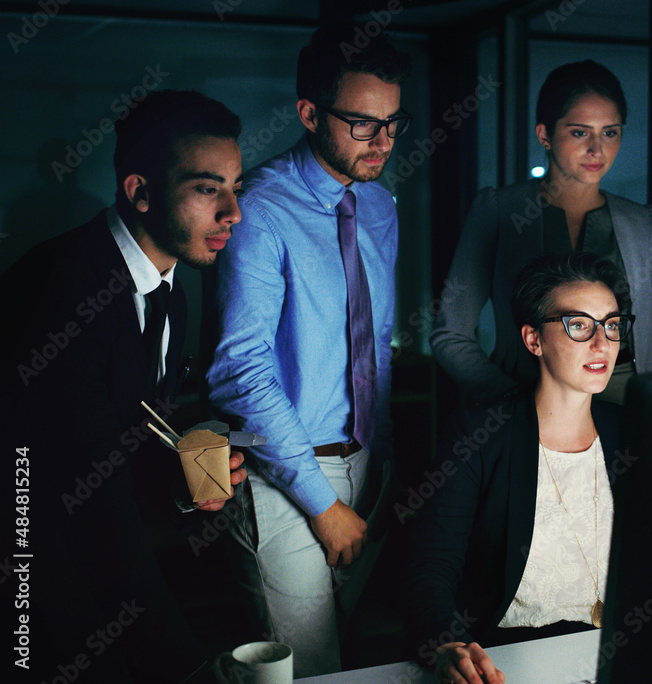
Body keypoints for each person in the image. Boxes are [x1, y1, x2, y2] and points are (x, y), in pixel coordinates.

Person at [0, 89, 247, 683]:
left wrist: (188, 484)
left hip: (96, 576)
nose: (234, 213)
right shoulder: (60, 292)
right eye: (208, 189)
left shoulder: (171, 292)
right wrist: (187, 662)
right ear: (139, 192)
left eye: (236, 187)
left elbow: (122, 437)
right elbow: (79, 495)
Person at [206, 23, 410, 677]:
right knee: (308, 668)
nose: (382, 142)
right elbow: (241, 370)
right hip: (290, 474)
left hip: (369, 464)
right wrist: (322, 506)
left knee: (353, 651)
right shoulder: (259, 210)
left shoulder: (379, 206)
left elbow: (373, 342)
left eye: (393, 123)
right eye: (362, 124)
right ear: (310, 114)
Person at [405, 252, 630, 684]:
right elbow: (432, 569)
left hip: (614, 656)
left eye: (612, 324)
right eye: (579, 325)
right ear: (533, 340)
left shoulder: (634, 434)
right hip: (513, 662)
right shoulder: (480, 436)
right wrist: (447, 644)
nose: (603, 343)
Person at [431, 60, 652, 406]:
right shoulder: (500, 210)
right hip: (522, 397)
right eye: (579, 132)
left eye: (610, 132)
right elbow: (450, 333)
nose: (597, 149)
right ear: (544, 135)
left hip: (623, 404)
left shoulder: (643, 223)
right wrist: (506, 400)